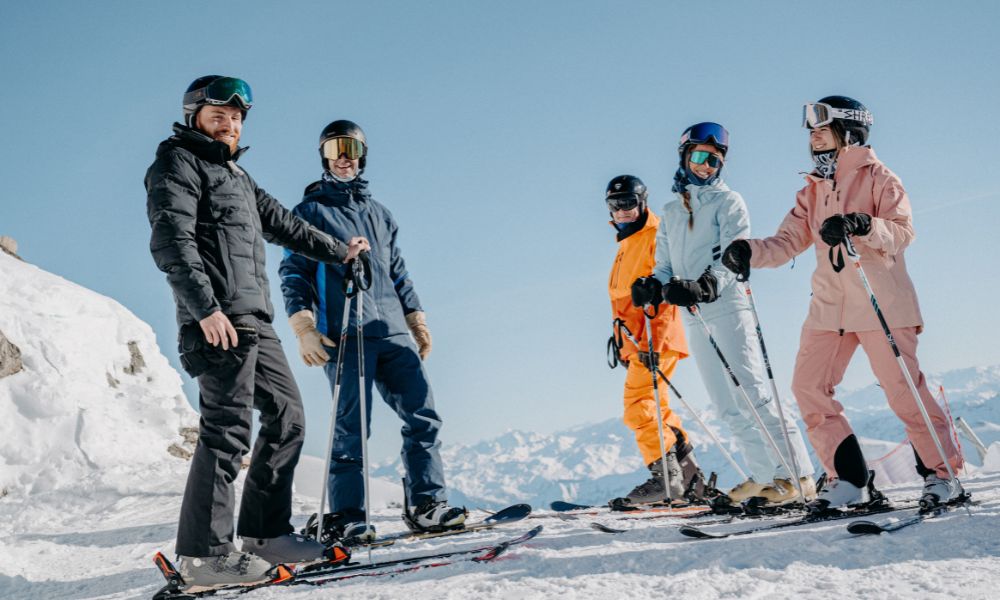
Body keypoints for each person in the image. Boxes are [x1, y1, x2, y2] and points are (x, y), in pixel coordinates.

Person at [145, 75, 370, 589]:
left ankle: (265, 535)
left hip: (254, 321)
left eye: (237, 117)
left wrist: (342, 252)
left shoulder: (237, 177)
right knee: (226, 431)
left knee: (288, 417)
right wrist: (205, 309)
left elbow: (285, 225)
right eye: (219, 115)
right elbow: (172, 243)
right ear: (194, 117)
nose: (230, 124)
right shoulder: (176, 164)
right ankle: (204, 557)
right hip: (216, 320)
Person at [722, 95, 964, 511]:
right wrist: (749, 250)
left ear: (849, 133)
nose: (813, 138)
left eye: (822, 129)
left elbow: (902, 232)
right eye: (811, 132)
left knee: (903, 391)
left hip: (880, 302)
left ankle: (943, 476)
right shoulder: (812, 190)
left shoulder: (879, 178)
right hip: (830, 306)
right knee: (808, 387)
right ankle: (850, 481)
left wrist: (863, 224)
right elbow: (785, 243)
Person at [279, 119, 465, 541]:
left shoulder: (381, 214)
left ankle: (427, 504)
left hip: (393, 329)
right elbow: (294, 270)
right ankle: (347, 514)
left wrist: (415, 317)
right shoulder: (310, 212)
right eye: (333, 149)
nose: (343, 157)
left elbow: (397, 271)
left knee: (423, 417)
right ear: (323, 158)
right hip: (345, 332)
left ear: (363, 156)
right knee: (350, 428)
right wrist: (303, 323)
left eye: (351, 148)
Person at [632, 123, 816, 506]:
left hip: (727, 306)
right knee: (725, 403)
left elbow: (731, 256)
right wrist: (653, 284)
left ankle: (796, 475)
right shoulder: (669, 212)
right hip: (694, 313)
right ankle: (765, 476)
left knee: (751, 393)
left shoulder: (728, 202)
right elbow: (665, 265)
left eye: (714, 161)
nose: (706, 166)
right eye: (700, 157)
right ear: (684, 157)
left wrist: (706, 284)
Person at [605, 175, 711, 506]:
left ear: (642, 203)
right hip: (637, 342)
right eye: (615, 205)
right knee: (658, 410)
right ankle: (691, 482)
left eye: (628, 204)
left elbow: (664, 289)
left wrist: (652, 342)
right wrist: (624, 345)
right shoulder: (626, 242)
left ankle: (667, 481)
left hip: (653, 338)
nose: (622, 211)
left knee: (638, 407)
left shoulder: (655, 235)